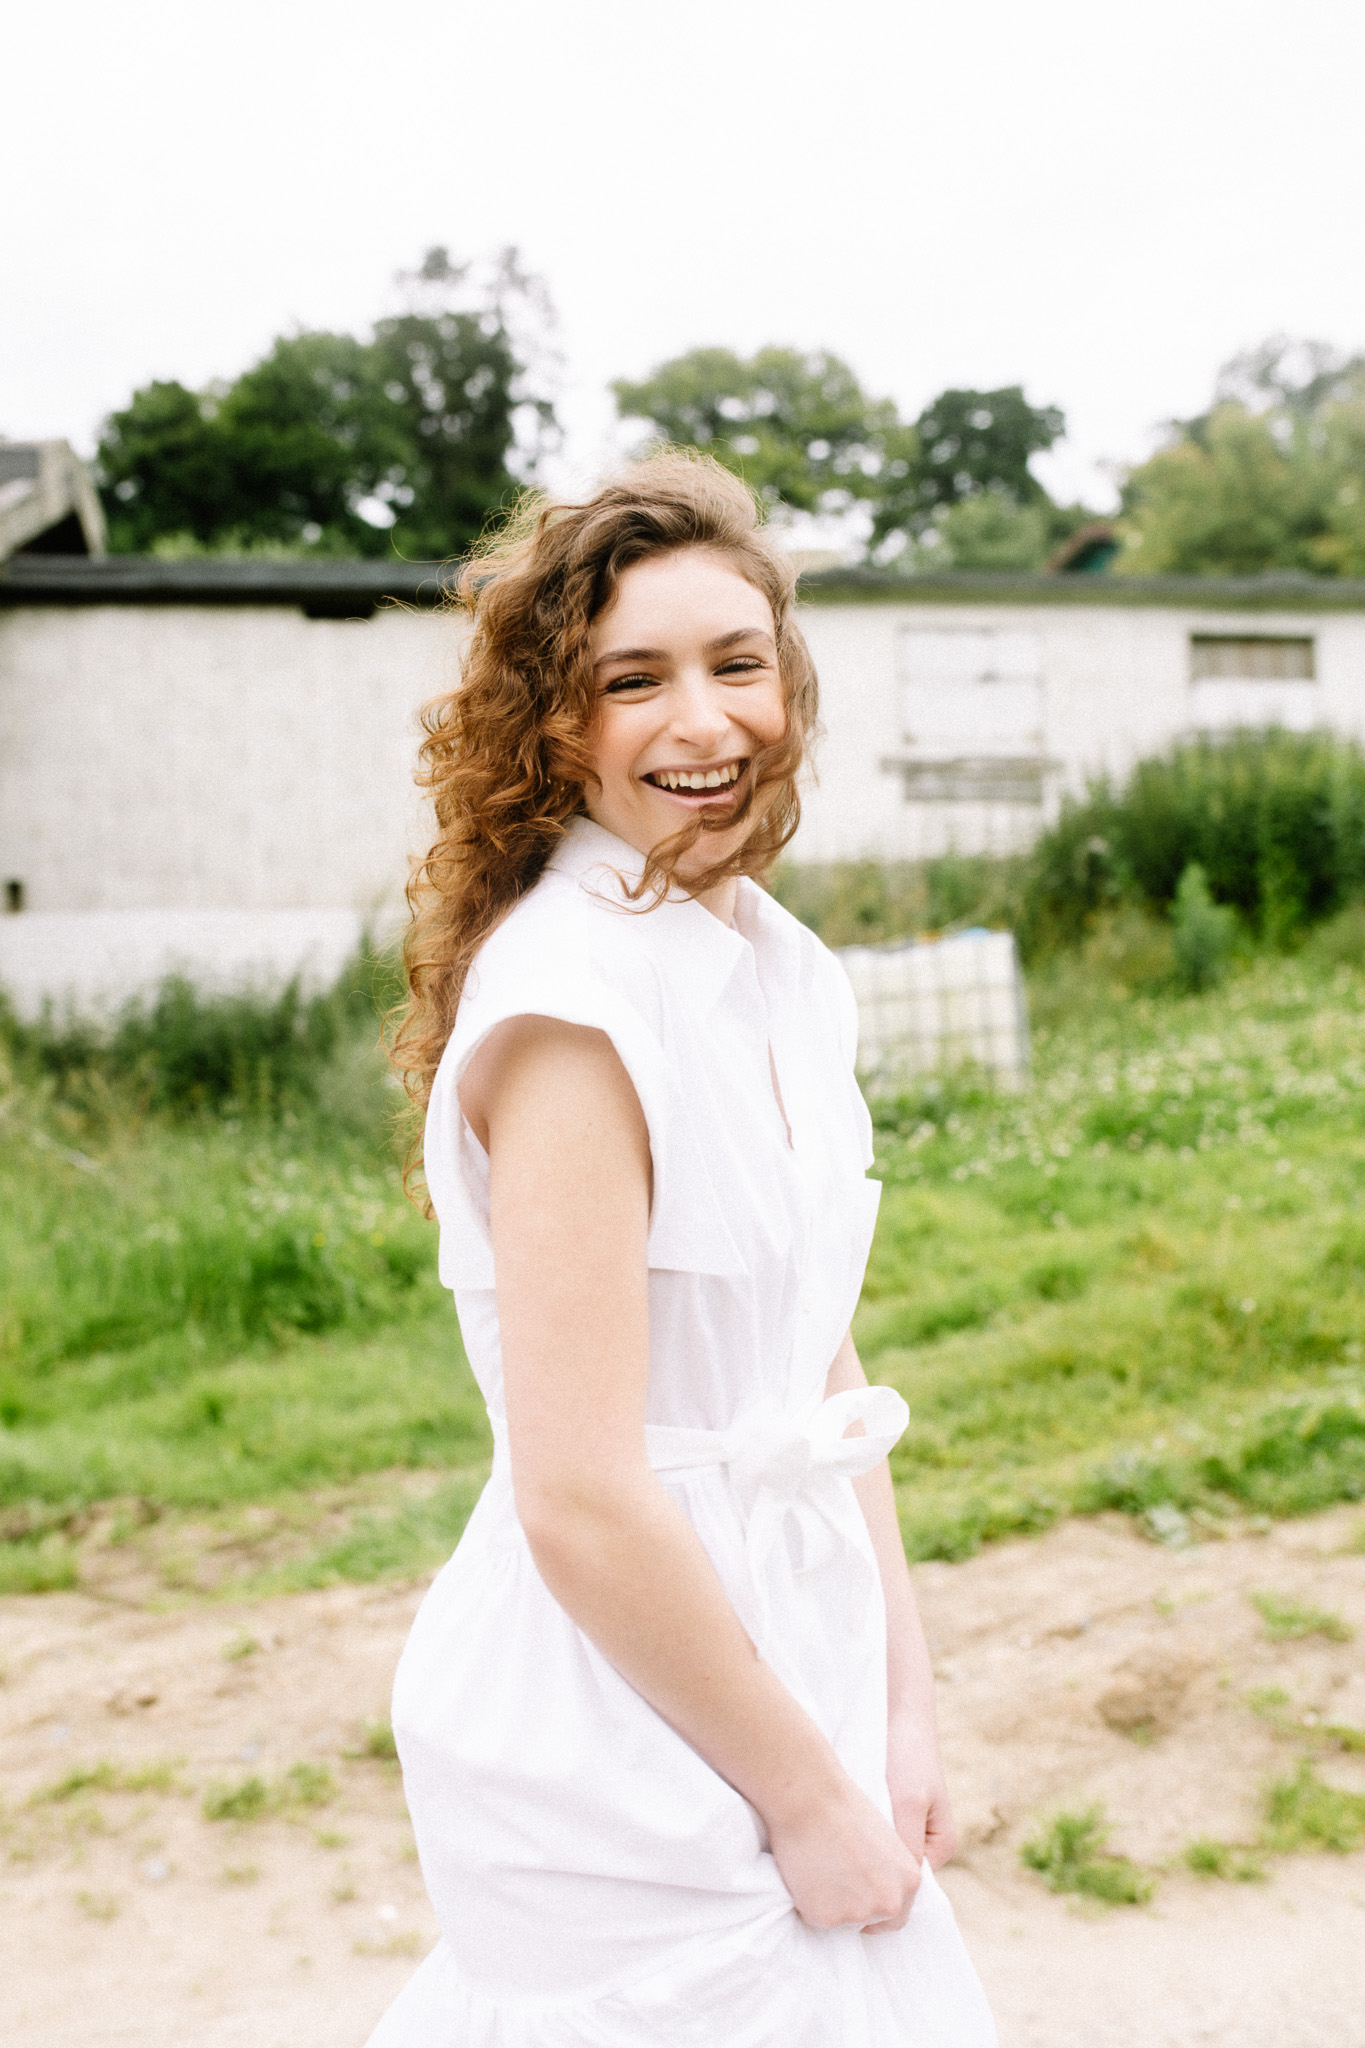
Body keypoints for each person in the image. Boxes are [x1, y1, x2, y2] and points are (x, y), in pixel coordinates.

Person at [368, 453, 997, 2047]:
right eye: (631, 679)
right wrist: (804, 1799)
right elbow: (579, 1493)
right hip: (624, 1714)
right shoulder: (573, 1007)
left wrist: (899, 1702)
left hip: (792, 1642)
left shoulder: (774, 963)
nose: (702, 721)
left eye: (737, 664)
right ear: (554, 725)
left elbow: (815, 1358)